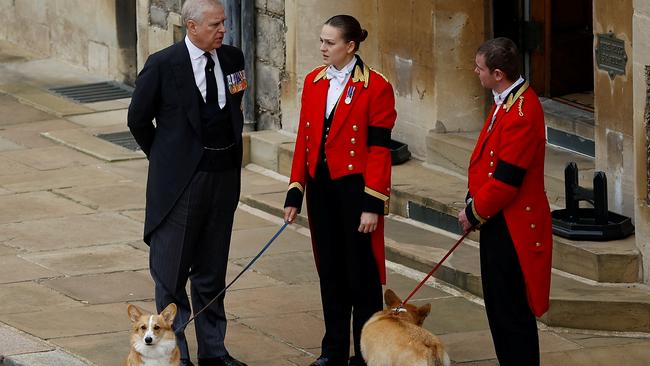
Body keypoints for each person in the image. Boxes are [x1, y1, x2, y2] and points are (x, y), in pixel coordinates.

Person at [127, 0, 248, 365]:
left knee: (212, 273)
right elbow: (137, 120)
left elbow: (235, 107)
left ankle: (214, 352)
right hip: (181, 187)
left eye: (224, 23)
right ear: (191, 27)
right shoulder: (163, 65)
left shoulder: (232, 58)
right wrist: (168, 161)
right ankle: (175, 358)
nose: (223, 30)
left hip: (222, 179)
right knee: (171, 276)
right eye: (215, 24)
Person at [283, 15, 397, 366]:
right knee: (330, 272)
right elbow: (305, 139)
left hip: (355, 192)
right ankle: (332, 351)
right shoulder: (314, 82)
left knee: (361, 277)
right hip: (321, 190)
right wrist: (295, 190)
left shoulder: (376, 86)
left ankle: (366, 355)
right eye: (321, 41)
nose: (322, 48)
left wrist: (372, 204)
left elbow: (379, 149)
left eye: (329, 43)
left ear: (350, 46)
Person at [457, 37, 552, 366]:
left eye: (480, 68)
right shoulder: (507, 101)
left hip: (513, 226)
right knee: (498, 307)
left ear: (498, 73)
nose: (475, 72)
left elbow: (507, 181)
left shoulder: (522, 111)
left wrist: (473, 212)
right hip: (498, 219)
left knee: (511, 311)